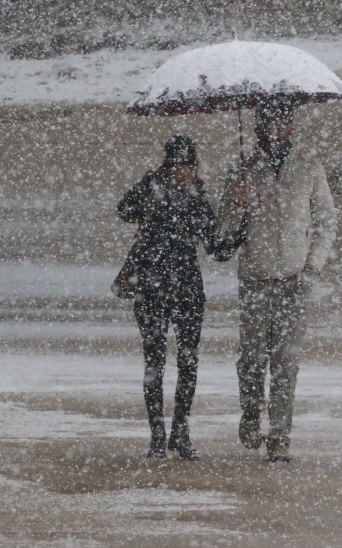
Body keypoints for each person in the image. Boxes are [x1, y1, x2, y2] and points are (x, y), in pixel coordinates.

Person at [219, 104, 337, 462]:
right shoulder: (242, 168)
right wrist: (236, 204)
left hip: (293, 279)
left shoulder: (308, 166)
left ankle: (280, 435)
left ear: (291, 126)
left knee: (286, 361)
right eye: (268, 121)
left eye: (282, 121)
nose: (276, 127)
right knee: (253, 358)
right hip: (255, 277)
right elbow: (223, 232)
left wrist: (311, 267)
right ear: (257, 127)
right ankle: (251, 414)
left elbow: (327, 220)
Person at [117, 135, 239, 460]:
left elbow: (217, 249)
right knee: (154, 362)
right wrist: (147, 193)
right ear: (167, 165)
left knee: (187, 361)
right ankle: (158, 436)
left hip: (186, 288)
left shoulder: (198, 200)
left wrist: (242, 223)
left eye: (188, 165)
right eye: (177, 164)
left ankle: (180, 431)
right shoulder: (151, 189)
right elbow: (124, 210)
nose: (183, 171)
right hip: (152, 286)